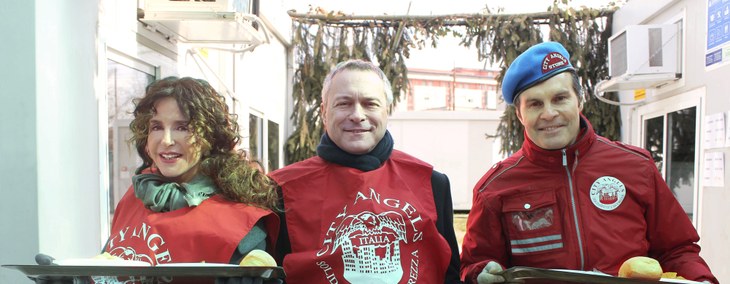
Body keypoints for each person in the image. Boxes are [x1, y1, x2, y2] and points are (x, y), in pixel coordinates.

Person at [459, 42, 718, 284]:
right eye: (535, 104)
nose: (549, 114)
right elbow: (474, 263)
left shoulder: (635, 166)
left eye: (560, 98)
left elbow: (677, 249)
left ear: (579, 100)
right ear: (520, 114)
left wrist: (701, 279)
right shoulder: (495, 188)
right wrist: (479, 273)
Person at [268, 59, 462, 283]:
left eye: (370, 103)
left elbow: (451, 274)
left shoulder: (432, 183)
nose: (357, 115)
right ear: (323, 112)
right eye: (344, 103)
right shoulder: (282, 190)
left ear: (386, 111)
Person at [101, 77, 280, 283]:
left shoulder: (241, 219)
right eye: (156, 127)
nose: (166, 141)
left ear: (210, 137)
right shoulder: (135, 196)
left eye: (182, 127)